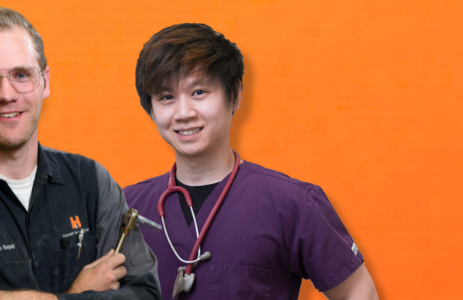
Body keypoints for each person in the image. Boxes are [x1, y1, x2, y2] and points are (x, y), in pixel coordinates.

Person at [0, 7, 160, 300]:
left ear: (45, 82)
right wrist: (81, 293)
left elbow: (146, 294)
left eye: (21, 75)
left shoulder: (92, 182)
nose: (6, 94)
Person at [122, 23, 381, 300]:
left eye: (199, 92)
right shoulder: (124, 209)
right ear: (151, 108)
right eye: (167, 97)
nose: (183, 113)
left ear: (235, 94)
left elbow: (358, 292)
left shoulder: (292, 205)